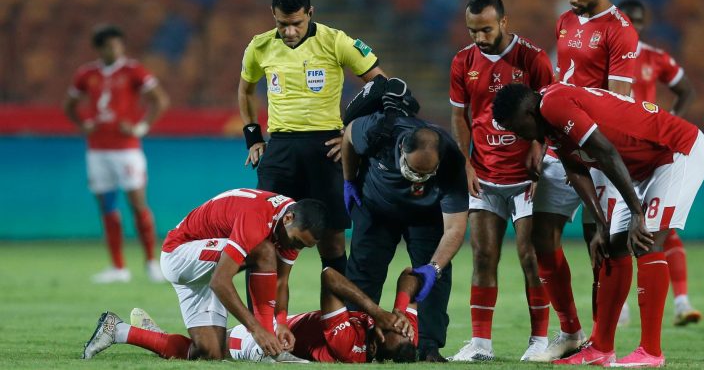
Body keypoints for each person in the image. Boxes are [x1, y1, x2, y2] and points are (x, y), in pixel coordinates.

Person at [492, 83, 704, 367]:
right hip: (640, 168)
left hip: (675, 152)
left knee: (646, 241)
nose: (517, 135)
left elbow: (605, 152)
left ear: (528, 113)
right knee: (612, 247)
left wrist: (637, 214)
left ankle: (651, 352)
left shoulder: (554, 104)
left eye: (515, 126)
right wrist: (601, 224)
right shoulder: (547, 119)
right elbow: (576, 168)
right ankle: (601, 348)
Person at [237, 0, 386, 282]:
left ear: (310, 13)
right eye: (283, 24)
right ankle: (265, 314)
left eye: (297, 23)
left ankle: (338, 312)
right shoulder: (259, 46)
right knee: (266, 243)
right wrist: (253, 138)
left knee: (332, 243)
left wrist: (352, 133)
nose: (290, 32)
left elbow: (381, 84)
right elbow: (245, 91)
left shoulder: (336, 41)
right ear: (273, 15)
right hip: (280, 148)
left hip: (326, 147)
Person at [82, 188, 328, 361]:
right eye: (297, 241)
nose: (296, 247)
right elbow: (220, 281)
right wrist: (258, 329)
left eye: (303, 246)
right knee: (264, 251)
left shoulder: (291, 227)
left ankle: (117, 329)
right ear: (288, 218)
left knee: (210, 352)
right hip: (180, 255)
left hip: (207, 265)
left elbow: (281, 280)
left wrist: (281, 322)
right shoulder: (257, 217)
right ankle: (265, 350)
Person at [538, 0, 640, 354]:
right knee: (541, 237)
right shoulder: (565, 21)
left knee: (600, 246)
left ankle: (600, 342)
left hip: (596, 151)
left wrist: (592, 147)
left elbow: (618, 104)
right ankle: (570, 332)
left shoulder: (620, 31)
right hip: (560, 144)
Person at [447, 0, 554, 362]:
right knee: (482, 255)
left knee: (530, 256)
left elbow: (551, 112)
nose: (479, 37)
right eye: (473, 31)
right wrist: (465, 163)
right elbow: (459, 116)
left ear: (504, 22)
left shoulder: (533, 59)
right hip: (485, 176)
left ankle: (539, 341)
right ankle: (481, 345)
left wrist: (540, 152)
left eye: (486, 30)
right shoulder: (463, 61)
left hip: (526, 177)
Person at [342, 104, 469, 362]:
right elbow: (348, 135)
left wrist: (434, 268)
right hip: (375, 209)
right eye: (413, 170)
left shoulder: (452, 160)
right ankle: (358, 340)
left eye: (425, 174)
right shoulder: (379, 131)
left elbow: (455, 227)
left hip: (425, 216)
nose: (417, 180)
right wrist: (349, 180)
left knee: (433, 277)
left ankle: (428, 347)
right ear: (401, 149)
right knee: (363, 271)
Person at [63, 24, 170, 284]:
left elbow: (160, 100)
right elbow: (69, 105)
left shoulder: (133, 71)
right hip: (98, 150)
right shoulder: (87, 74)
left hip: (126, 150)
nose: (116, 50)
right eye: (110, 46)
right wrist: (83, 125)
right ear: (100, 49)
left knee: (138, 204)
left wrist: (141, 127)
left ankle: (151, 263)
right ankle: (118, 267)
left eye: (118, 44)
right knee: (108, 207)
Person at [617, 0, 700, 327]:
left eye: (638, 21)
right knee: (615, 228)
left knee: (664, 226)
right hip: (617, 152)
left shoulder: (655, 57)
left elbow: (686, 91)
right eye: (628, 20)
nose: (634, 26)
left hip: (651, 153)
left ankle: (682, 302)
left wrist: (671, 123)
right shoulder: (605, 55)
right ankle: (620, 305)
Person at [229, 267, 421, 363]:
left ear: (373, 346)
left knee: (213, 348)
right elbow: (411, 273)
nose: (393, 323)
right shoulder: (405, 336)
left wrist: (377, 313)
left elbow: (329, 275)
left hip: (269, 341)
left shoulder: (348, 346)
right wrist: (399, 310)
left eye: (388, 327)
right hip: (287, 324)